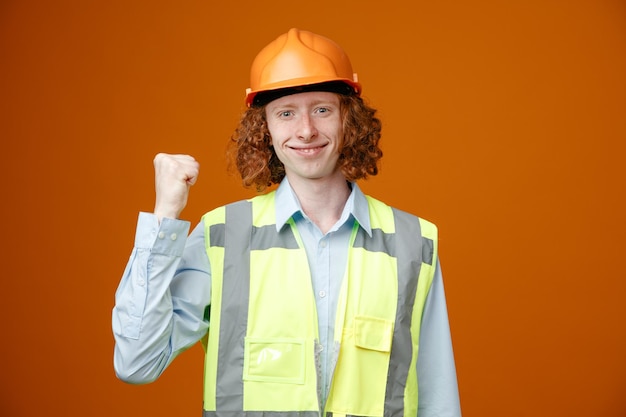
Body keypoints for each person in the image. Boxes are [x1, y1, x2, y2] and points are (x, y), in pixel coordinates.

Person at [112, 28, 462, 417]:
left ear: (351, 121)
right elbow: (137, 362)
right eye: (286, 113)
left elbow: (438, 398)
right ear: (265, 130)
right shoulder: (222, 236)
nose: (306, 130)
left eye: (323, 109)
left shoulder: (413, 242)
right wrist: (164, 217)